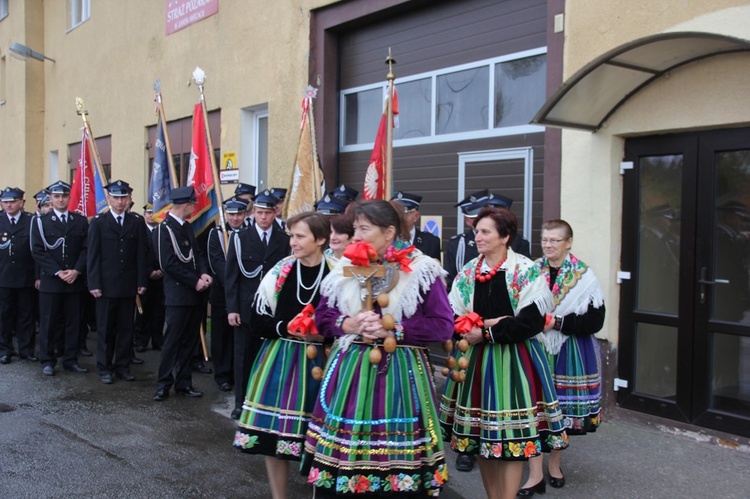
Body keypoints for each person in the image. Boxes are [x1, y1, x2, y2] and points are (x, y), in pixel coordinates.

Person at [302, 199, 454, 497]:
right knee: (344, 462)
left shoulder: (421, 269)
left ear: (389, 232)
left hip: (399, 372)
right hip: (350, 372)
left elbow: (442, 325)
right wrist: (349, 325)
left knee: (394, 463)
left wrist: (394, 328)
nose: (355, 236)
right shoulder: (346, 266)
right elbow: (323, 316)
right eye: (355, 228)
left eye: (363, 229)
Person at [438, 207, 567, 499]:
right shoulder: (470, 270)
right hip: (476, 364)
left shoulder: (525, 269)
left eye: (485, 232)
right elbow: (452, 317)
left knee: (512, 441)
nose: (478, 237)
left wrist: (484, 331)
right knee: (483, 440)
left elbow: (530, 323)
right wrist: (478, 326)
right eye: (477, 231)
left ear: (505, 236)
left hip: (515, 362)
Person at [234, 212, 332, 499]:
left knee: (322, 437)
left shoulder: (337, 273)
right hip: (280, 360)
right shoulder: (281, 271)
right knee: (272, 436)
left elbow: (346, 322)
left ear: (321, 239)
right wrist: (285, 328)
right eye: (291, 235)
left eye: (300, 236)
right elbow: (257, 317)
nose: (293, 242)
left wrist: (322, 335)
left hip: (322, 362)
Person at [518, 219, 605, 496]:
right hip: (537, 347)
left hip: (570, 351)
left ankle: (554, 465)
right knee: (535, 408)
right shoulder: (532, 271)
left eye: (555, 240)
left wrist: (557, 323)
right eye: (545, 239)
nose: (548, 245)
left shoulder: (584, 276)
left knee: (561, 411)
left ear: (569, 242)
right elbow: (518, 308)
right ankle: (533, 474)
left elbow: (595, 320)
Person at [225, 190, 290, 419]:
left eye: (267, 213)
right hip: (246, 308)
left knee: (269, 356)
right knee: (243, 357)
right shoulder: (240, 238)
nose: (263, 217)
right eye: (259, 213)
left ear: (275, 213)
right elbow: (231, 276)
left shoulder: (284, 240)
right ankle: (240, 402)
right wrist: (232, 309)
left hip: (272, 309)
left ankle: (264, 401)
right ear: (253, 213)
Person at [152, 186, 212, 401]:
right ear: (185, 205)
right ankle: (163, 384)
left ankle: (184, 383)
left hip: (196, 293)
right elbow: (168, 264)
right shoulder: (163, 230)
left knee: (189, 341)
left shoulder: (186, 228)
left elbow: (197, 254)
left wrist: (204, 274)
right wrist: (194, 281)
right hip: (178, 295)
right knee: (172, 341)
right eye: (193, 204)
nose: (194, 207)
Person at [87, 180, 149, 384]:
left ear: (129, 199)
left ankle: (122, 366)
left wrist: (141, 281)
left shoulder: (136, 222)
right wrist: (94, 283)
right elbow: (93, 256)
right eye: (116, 198)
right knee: (105, 329)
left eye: (124, 198)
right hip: (105, 286)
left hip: (128, 285)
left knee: (126, 329)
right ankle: (104, 367)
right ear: (109, 199)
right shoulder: (98, 222)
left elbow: (141, 254)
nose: (120, 202)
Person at [31, 181, 89, 376]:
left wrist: (76, 271)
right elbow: (38, 251)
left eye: (64, 196)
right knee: (49, 322)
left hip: (74, 280)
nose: (61, 199)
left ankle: (70, 360)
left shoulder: (79, 221)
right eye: (56, 196)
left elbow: (86, 248)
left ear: (69, 197)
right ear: (51, 199)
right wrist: (58, 271)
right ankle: (47, 360)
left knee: (74, 322)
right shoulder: (40, 221)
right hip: (52, 280)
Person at [206, 197, 247, 392]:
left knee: (238, 337)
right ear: (225, 215)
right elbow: (218, 264)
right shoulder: (216, 234)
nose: (235, 218)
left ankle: (235, 373)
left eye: (239, 214)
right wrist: (233, 283)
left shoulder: (249, 234)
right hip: (222, 294)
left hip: (244, 295)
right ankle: (221, 374)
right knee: (221, 336)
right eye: (231, 214)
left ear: (245, 214)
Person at [0, 187, 37, 363]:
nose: (9, 205)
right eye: (6, 202)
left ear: (21, 202)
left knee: (26, 315)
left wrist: (37, 276)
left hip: (26, 276)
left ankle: (26, 349)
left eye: (13, 201)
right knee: (4, 315)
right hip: (3, 277)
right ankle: (5, 350)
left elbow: (37, 251)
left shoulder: (32, 221)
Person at [134, 203, 165, 352]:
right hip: (145, 278)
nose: (151, 215)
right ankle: (141, 340)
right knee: (143, 312)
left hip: (162, 277)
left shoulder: (162, 231)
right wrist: (149, 271)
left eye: (155, 212)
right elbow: (139, 255)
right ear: (144, 215)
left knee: (159, 312)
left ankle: (158, 340)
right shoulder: (140, 231)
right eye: (148, 212)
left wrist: (161, 270)